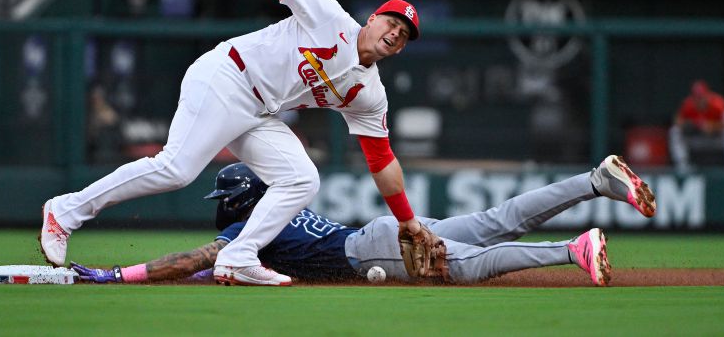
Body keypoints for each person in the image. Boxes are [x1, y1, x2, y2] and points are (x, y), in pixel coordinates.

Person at [41, 0, 425, 286]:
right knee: (176, 168)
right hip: (228, 76)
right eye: (391, 22)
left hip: (259, 111)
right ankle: (65, 211)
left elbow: (381, 158)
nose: (395, 32)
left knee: (302, 179)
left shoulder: (370, 94)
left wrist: (406, 220)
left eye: (404, 34)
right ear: (373, 19)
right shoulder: (330, 18)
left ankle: (239, 256)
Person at [71, 154, 657, 287]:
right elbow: (211, 270)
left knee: (465, 268)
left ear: (237, 201)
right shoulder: (280, 210)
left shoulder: (247, 231)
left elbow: (201, 259)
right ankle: (593, 182)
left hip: (369, 255)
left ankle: (571, 249)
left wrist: (120, 275)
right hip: (375, 234)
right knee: (498, 220)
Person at [669, 80, 724, 172]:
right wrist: (692, 123)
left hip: (716, 136)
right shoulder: (688, 104)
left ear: (707, 95)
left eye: (701, 97)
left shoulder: (718, 103)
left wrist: (713, 126)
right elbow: (677, 121)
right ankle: (683, 165)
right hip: (697, 135)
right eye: (697, 97)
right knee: (674, 131)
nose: (699, 100)